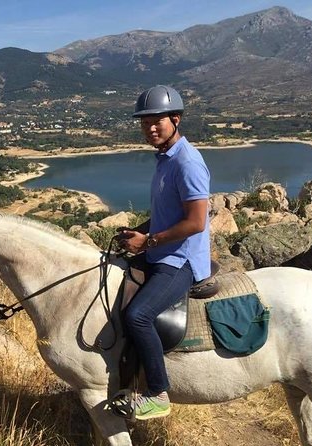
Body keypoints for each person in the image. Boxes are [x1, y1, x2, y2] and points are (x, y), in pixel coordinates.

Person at [118, 85, 211, 420]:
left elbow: (196, 222)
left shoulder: (187, 163)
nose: (150, 128)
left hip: (181, 260)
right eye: (145, 122)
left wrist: (149, 242)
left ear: (176, 118)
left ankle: (157, 393)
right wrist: (141, 231)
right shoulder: (165, 160)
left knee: (137, 316)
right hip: (163, 251)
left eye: (157, 121)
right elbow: (166, 214)